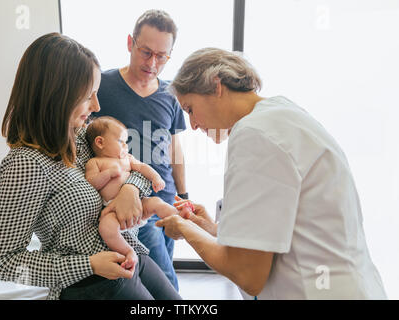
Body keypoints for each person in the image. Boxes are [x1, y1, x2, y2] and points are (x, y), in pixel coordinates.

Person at [156, 47, 387, 299]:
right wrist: (212, 229)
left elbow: (247, 273)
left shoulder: (255, 134)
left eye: (190, 109)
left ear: (216, 86)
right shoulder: (280, 115)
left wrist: (185, 229)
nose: (193, 124)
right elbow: (279, 228)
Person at [0, 32, 181, 300]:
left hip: (132, 257)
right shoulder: (25, 165)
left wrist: (130, 192)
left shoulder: (82, 137)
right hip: (91, 284)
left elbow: (132, 164)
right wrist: (87, 264)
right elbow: (1, 263)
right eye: (88, 96)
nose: (97, 106)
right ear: (57, 96)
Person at [94, 9, 187, 291]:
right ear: (129, 43)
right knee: (166, 283)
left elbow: (174, 149)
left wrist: (183, 195)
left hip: (165, 197)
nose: (153, 63)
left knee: (161, 274)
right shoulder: (103, 86)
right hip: (128, 205)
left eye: (162, 56)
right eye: (146, 52)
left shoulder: (171, 95)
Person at [85, 116, 191, 271]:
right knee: (106, 228)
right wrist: (107, 174)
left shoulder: (127, 158)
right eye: (121, 142)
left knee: (156, 202)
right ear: (100, 142)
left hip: (138, 202)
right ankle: (128, 251)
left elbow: (142, 167)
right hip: (112, 209)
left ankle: (180, 216)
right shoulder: (95, 163)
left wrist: (156, 177)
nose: (126, 146)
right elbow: (91, 183)